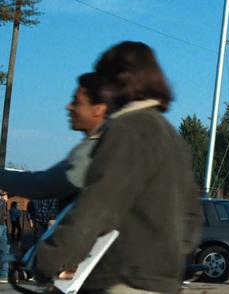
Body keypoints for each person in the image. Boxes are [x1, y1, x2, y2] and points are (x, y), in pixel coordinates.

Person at [34, 41, 203, 294]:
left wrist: (48, 260)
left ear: (118, 82)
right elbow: (192, 217)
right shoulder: (171, 135)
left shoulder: (126, 129)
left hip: (122, 280)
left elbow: (98, 207)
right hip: (162, 282)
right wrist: (163, 257)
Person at [0, 72, 108, 202]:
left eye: (76, 102)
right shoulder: (105, 144)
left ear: (98, 109)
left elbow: (42, 185)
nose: (69, 107)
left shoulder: (94, 152)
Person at [0, 192, 9, 283]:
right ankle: (3, 274)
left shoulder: (3, 202)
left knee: (4, 250)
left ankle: (3, 275)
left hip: (3, 225)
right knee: (4, 250)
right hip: (1, 225)